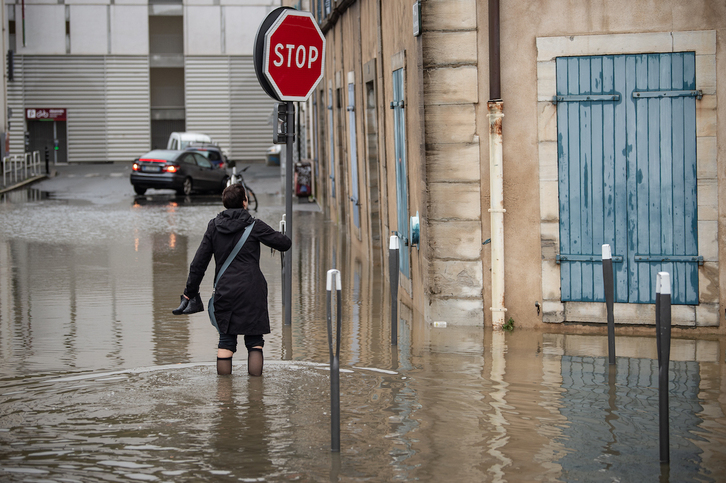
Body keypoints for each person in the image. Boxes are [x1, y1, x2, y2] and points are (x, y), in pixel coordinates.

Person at [173, 183, 291, 376]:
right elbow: (285, 244)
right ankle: (255, 398)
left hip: (225, 291)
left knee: (226, 341)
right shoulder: (255, 225)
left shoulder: (214, 226)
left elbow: (198, 263)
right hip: (252, 291)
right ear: (245, 202)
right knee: (255, 342)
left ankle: (225, 398)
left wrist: (189, 293)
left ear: (225, 203)